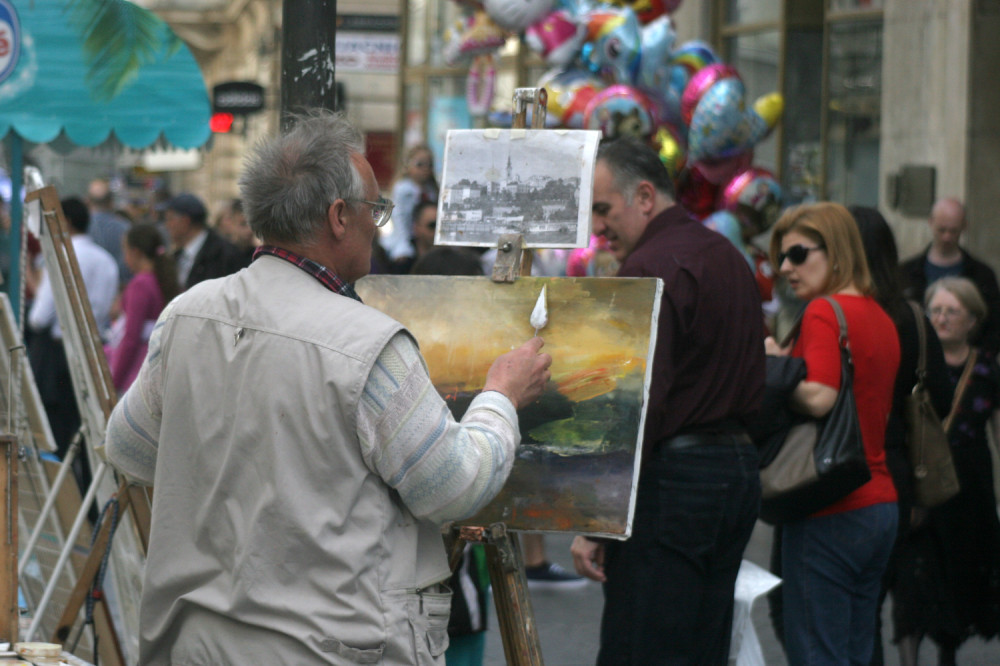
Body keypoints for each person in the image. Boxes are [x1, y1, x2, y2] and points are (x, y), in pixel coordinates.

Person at [104, 110, 552, 665]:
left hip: (197, 642)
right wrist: (501, 397)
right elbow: (452, 485)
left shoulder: (189, 315)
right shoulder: (367, 343)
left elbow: (127, 448)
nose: (378, 224)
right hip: (331, 649)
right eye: (375, 210)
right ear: (339, 216)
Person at [570, 136, 765, 664]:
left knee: (644, 646)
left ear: (646, 197)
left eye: (604, 209)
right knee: (702, 644)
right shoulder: (727, 256)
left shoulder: (648, 269)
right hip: (736, 474)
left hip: (676, 482)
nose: (597, 227)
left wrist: (597, 520)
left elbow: (636, 406)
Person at [765, 202, 900, 665]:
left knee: (817, 653)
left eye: (799, 254)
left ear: (837, 250)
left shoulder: (825, 310)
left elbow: (821, 396)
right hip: (879, 503)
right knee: (856, 649)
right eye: (782, 257)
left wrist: (775, 366)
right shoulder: (878, 314)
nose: (786, 268)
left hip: (829, 502)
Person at [848, 206, 953, 666]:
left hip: (843, 473)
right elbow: (942, 399)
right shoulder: (911, 315)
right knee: (871, 600)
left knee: (847, 610)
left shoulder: (836, 314)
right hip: (900, 477)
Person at [889, 277, 1000, 666]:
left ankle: (947, 655)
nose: (942, 318)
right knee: (912, 579)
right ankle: (909, 658)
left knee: (959, 575)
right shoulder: (913, 359)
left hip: (968, 489)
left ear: (973, 319)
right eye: (935, 310)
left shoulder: (988, 368)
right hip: (919, 482)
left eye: (952, 311)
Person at [27, 197, 118, 481]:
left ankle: (63, 501)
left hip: (57, 359)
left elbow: (39, 317)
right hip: (93, 353)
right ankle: (92, 506)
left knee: (56, 436)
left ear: (63, 221)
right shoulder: (105, 259)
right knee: (90, 434)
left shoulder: (62, 256)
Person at [900, 197, 1000, 355]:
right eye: (942, 230)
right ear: (931, 222)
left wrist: (980, 362)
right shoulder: (905, 273)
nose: (947, 237)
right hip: (917, 359)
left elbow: (993, 325)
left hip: (969, 364)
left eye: (953, 231)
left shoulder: (982, 275)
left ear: (964, 226)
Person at [106, 224, 179, 394]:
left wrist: (114, 381)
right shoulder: (164, 280)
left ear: (136, 252)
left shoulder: (140, 285)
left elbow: (131, 337)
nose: (124, 259)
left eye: (125, 251)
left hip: (136, 372)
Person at [163, 192, 250, 291]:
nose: (167, 225)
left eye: (170, 219)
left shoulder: (224, 255)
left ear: (185, 221)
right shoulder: (178, 256)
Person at [381, 144, 438, 270]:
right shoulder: (403, 189)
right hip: (407, 239)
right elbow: (399, 219)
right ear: (408, 166)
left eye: (429, 165)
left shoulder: (432, 190)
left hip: (425, 240)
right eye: (420, 164)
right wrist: (403, 246)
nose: (425, 169)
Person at [86, 178, 131, 283]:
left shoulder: (82, 228)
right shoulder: (125, 228)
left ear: (88, 201)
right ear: (111, 202)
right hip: (118, 287)